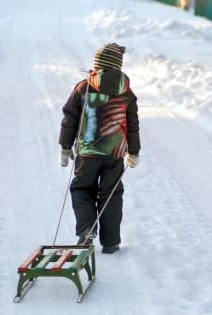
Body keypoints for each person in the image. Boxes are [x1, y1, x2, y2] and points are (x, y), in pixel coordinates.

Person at [58, 43, 141, 254]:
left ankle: (86, 232)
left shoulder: (83, 88)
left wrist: (65, 147)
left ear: (98, 65)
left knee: (82, 189)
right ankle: (111, 242)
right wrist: (134, 151)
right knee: (111, 194)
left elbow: (70, 118)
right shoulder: (127, 93)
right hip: (114, 154)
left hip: (87, 153)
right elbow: (132, 123)